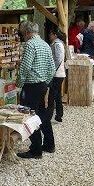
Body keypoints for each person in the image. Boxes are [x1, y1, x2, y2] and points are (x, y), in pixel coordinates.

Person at [16, 21, 56, 159]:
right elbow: (52, 67)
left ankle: (36, 149)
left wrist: (19, 84)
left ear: (27, 32)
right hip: (42, 85)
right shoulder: (45, 44)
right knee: (42, 115)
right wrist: (45, 82)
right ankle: (49, 144)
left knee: (29, 116)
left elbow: (25, 67)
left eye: (22, 34)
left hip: (31, 86)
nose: (23, 36)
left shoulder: (30, 44)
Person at [49, 29, 67, 123]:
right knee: (57, 96)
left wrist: (52, 70)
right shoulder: (59, 44)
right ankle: (59, 115)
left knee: (52, 96)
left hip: (57, 74)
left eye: (51, 34)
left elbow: (58, 59)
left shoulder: (57, 44)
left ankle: (49, 116)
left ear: (55, 35)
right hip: (59, 73)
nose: (49, 35)